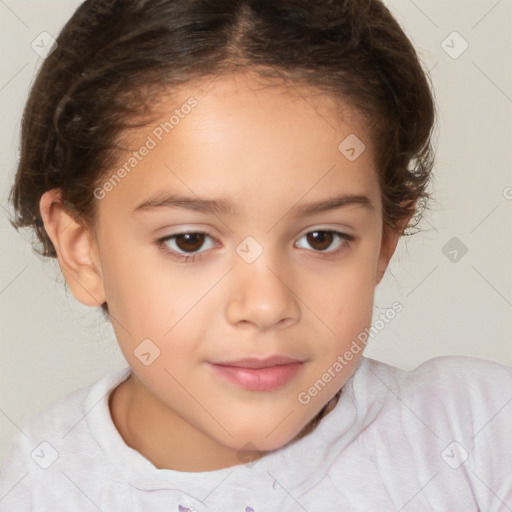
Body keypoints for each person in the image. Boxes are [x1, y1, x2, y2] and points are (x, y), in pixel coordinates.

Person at [1, 0, 511, 510]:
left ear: (384, 241)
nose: (266, 305)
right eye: (190, 241)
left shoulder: (481, 438)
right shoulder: (37, 490)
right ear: (82, 250)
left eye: (321, 238)